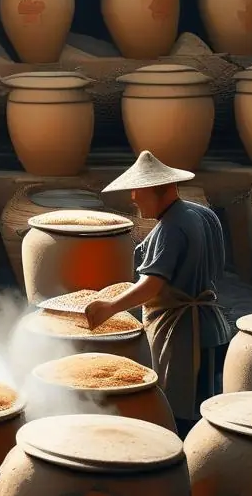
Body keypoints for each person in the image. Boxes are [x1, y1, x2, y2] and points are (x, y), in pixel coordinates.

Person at [84, 150, 231, 437]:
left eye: (137, 190)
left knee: (182, 414)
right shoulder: (203, 213)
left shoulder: (171, 227)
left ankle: (185, 468)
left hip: (185, 338)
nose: (133, 198)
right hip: (214, 330)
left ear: (155, 190)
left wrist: (109, 307)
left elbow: (153, 285)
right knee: (210, 404)